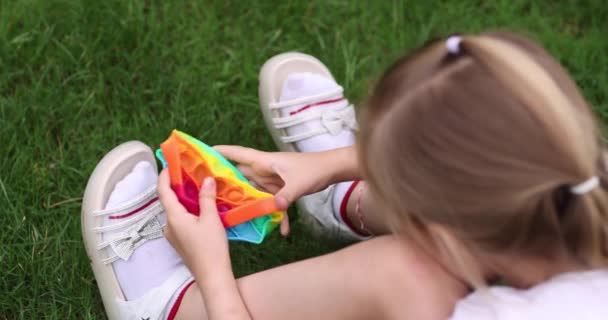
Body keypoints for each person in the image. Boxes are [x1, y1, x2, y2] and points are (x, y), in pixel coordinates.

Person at [81, 32, 608, 320]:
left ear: (446, 229)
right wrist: (327, 168)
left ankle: (181, 314)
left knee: (405, 274)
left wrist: (214, 271)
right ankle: (347, 204)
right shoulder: (582, 173)